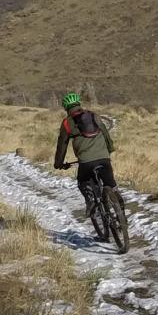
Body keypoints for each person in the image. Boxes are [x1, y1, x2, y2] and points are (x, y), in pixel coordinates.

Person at [53, 92, 117, 227]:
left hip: (86, 162)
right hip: (104, 158)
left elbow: (62, 145)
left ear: (66, 108)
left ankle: (90, 201)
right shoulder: (93, 115)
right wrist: (110, 149)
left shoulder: (67, 123)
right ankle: (120, 211)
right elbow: (105, 132)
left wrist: (58, 163)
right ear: (79, 104)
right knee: (110, 185)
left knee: (82, 181)